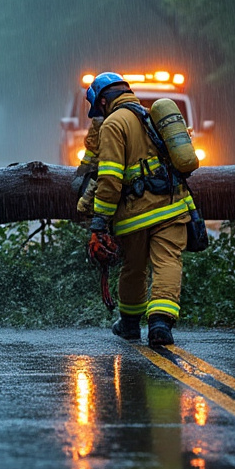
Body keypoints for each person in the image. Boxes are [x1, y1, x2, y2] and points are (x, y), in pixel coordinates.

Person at [85, 72, 196, 347]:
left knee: (133, 269)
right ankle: (160, 324)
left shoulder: (113, 124)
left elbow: (109, 178)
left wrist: (99, 222)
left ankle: (131, 325)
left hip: (134, 215)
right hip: (171, 207)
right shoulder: (152, 116)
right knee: (168, 262)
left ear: (102, 102)